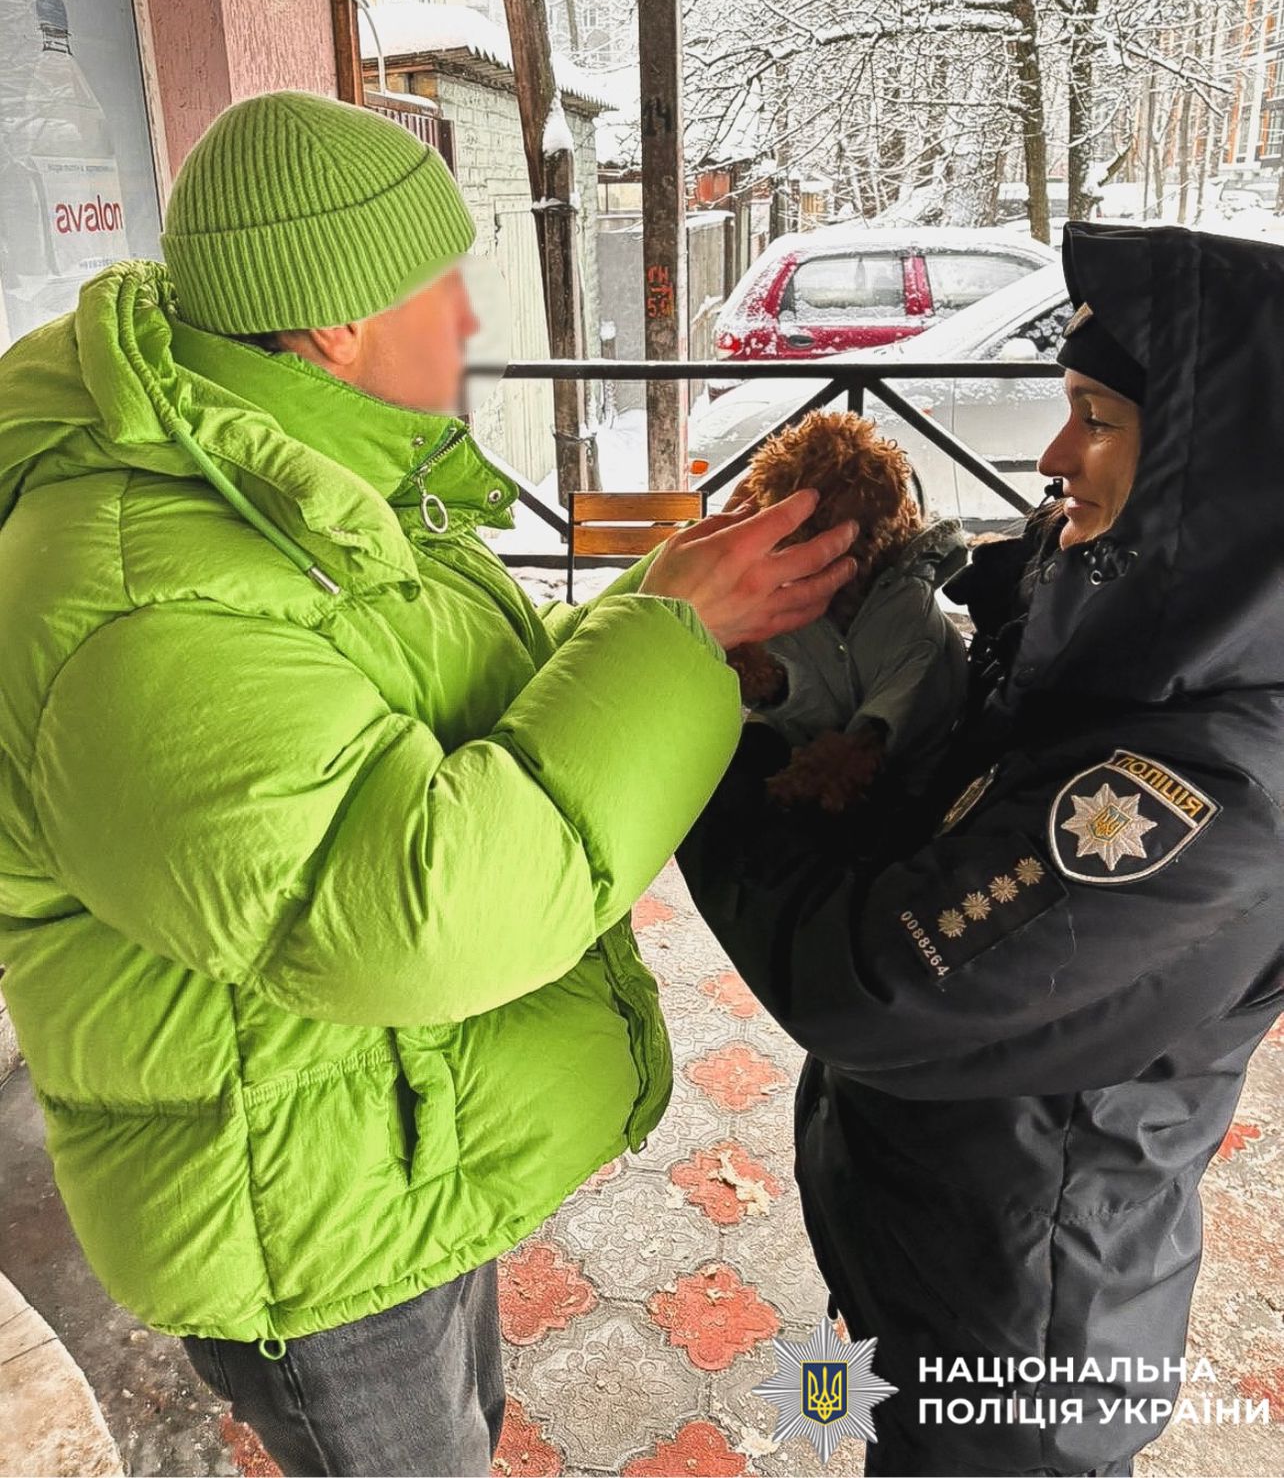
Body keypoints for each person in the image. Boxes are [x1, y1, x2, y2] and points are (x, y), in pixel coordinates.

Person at [0, 91, 858, 1478]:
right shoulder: (138, 598)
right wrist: (672, 642)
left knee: (470, 1437)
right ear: (335, 323)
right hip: (303, 1228)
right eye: (441, 285)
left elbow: (448, 699)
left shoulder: (287, 469)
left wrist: (658, 608)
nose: (467, 321)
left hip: (391, 1143)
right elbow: (413, 915)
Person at [676, 221, 1284, 1477]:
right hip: (935, 1241)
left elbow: (872, 978)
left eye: (1097, 420)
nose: (1054, 457)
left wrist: (693, 736)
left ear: (1217, 471)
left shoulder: (1212, 780)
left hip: (1023, 1347)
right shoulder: (1117, 639)